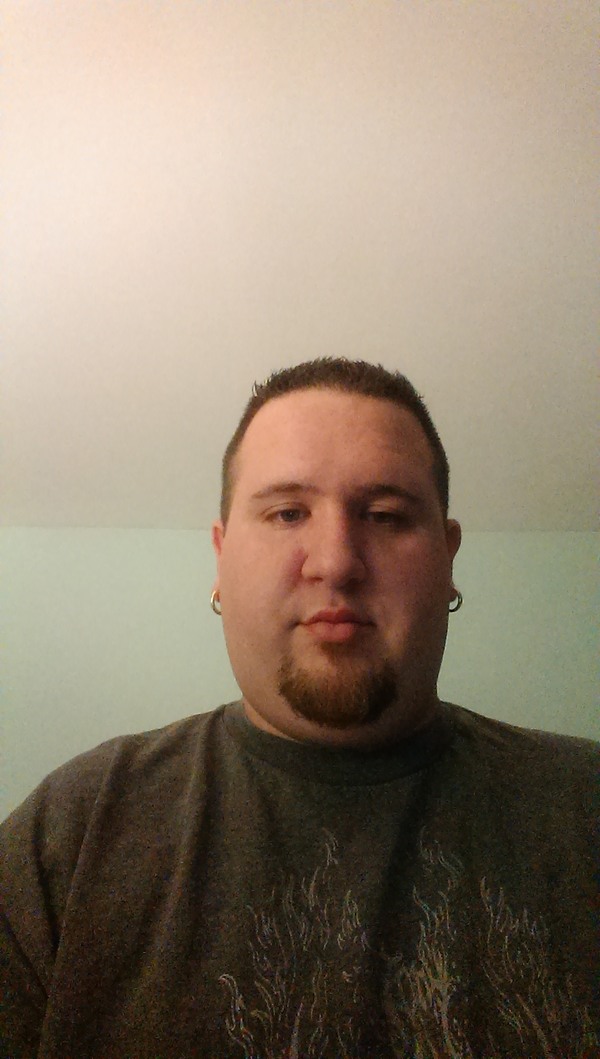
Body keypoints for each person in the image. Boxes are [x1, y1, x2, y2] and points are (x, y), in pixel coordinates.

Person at [0, 358, 597, 1059]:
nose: (336, 561)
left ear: (447, 556)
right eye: (287, 513)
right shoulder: (70, 833)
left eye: (385, 515)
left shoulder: (585, 806)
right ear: (221, 556)